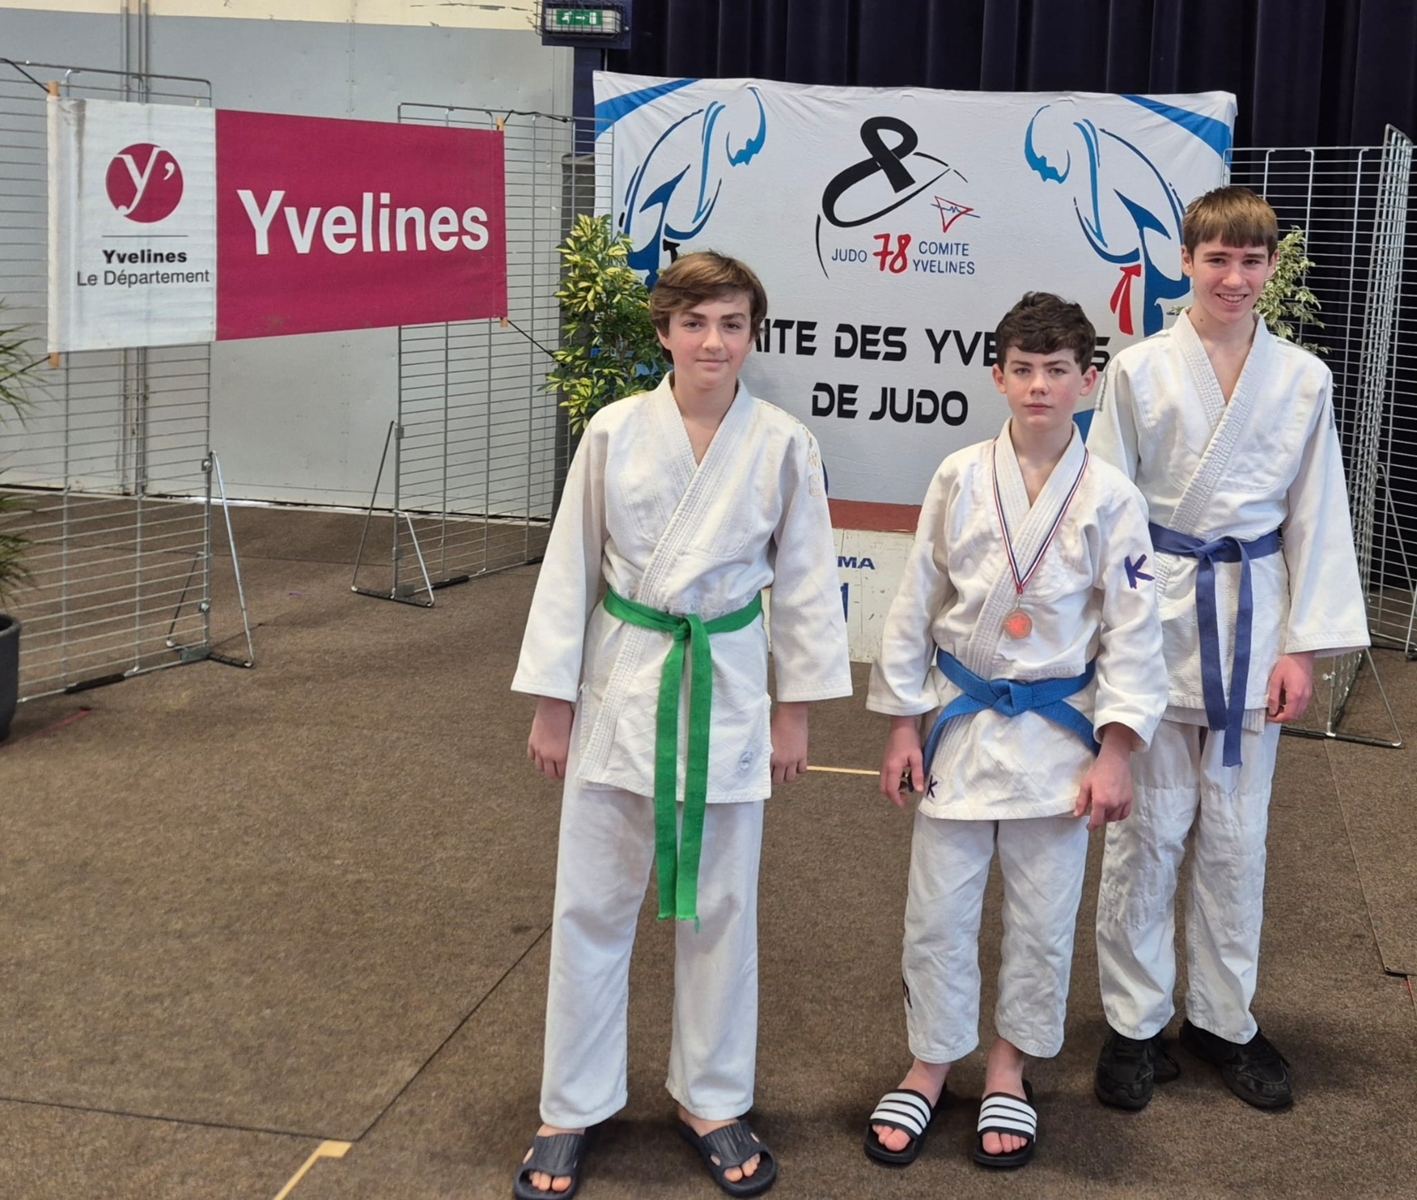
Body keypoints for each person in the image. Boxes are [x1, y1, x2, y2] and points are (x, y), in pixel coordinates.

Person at [509, 251, 852, 1199]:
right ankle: (569, 1106)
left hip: (728, 682)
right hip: (623, 675)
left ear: (752, 335)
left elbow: (807, 585)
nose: (713, 342)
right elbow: (570, 568)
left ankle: (711, 1097)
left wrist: (793, 713)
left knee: (721, 906)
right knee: (590, 903)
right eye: (694, 323)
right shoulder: (615, 431)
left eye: (732, 324)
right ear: (663, 332)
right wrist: (551, 703)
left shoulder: (782, 443)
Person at [864, 293, 1167, 1170]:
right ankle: (929, 1064)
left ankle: (1008, 1068)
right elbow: (913, 605)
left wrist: (1117, 752)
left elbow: (1134, 633)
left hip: (1060, 739)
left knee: (1041, 918)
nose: (1039, 386)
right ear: (996, 376)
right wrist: (901, 727)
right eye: (1023, 369)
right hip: (961, 729)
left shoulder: (1112, 497)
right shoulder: (958, 476)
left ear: (1087, 380)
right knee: (936, 913)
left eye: (1056, 370)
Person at [1090, 186, 1370, 1112]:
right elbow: (1110, 513)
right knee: (1145, 833)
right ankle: (1132, 1022)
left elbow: (1315, 513)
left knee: (1236, 838)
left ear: (1272, 267)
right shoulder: (1137, 370)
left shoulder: (1302, 378)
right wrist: (1117, 638)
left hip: (1255, 619)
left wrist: (1303, 649)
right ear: (1185, 261)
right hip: (1159, 618)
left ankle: (1221, 1019)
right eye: (1216, 258)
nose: (1234, 277)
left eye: (1251, 261)